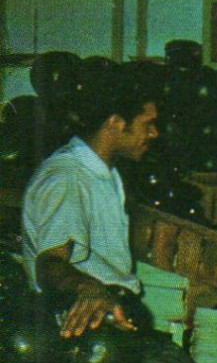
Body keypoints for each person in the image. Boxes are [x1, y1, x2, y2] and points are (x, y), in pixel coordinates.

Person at [22, 71, 158, 337]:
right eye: (148, 124)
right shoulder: (67, 177)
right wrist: (89, 289)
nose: (155, 133)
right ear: (116, 123)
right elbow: (50, 263)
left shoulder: (103, 172)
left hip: (112, 307)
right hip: (82, 319)